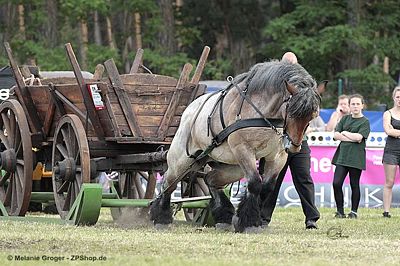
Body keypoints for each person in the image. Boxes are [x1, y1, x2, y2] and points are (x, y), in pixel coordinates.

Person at [260, 52, 320, 229]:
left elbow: (313, 110)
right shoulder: (272, 85)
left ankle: (311, 218)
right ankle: (263, 218)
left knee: (304, 178)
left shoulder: (306, 84)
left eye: (292, 64)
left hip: (300, 140)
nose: (290, 67)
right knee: (271, 180)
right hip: (276, 141)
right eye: (287, 64)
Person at [332, 94, 370, 218]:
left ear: (362, 105)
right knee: (336, 183)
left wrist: (345, 133)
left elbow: (359, 138)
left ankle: (353, 212)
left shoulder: (365, 122)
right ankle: (340, 211)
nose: (355, 106)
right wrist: (351, 137)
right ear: (349, 106)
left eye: (358, 104)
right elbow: (336, 135)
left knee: (354, 184)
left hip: (356, 158)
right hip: (342, 157)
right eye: (353, 104)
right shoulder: (344, 119)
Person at [382, 86, 400, 218]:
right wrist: (392, 131)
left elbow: (393, 131)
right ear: (393, 98)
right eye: (398, 97)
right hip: (391, 151)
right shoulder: (387, 113)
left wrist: (396, 132)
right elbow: (388, 131)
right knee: (389, 182)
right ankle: (386, 211)